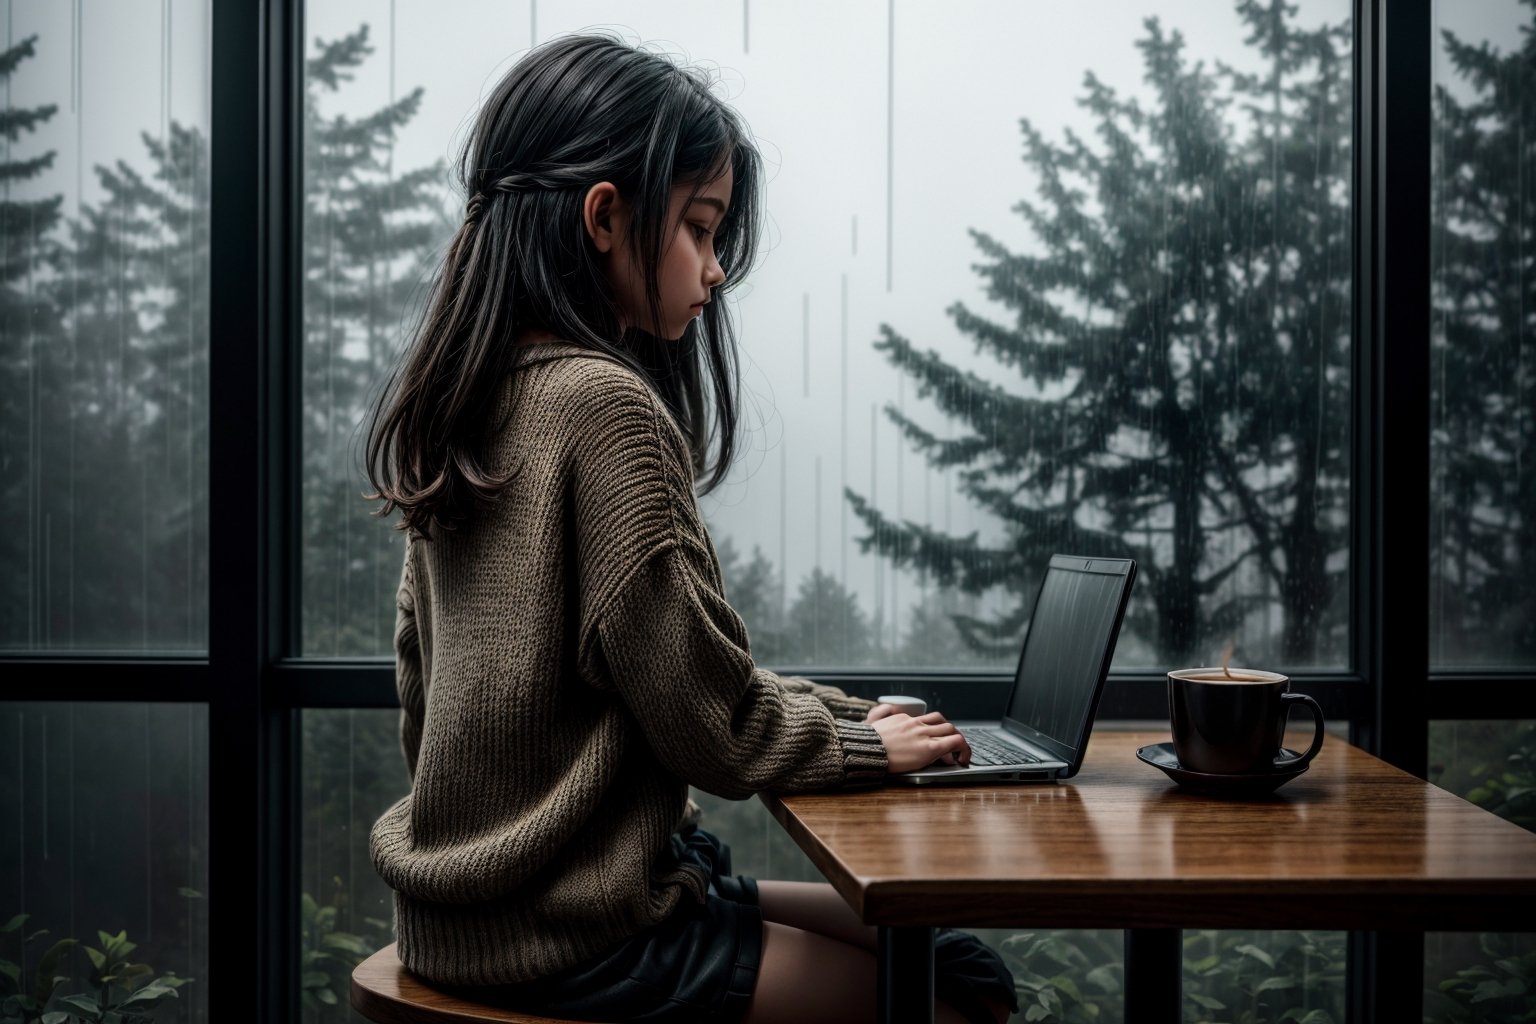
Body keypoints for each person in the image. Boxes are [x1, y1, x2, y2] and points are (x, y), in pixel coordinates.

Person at [363, 32, 1020, 1024]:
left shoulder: (470, 406)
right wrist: (871, 750)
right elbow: (713, 725)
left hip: (460, 917)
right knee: (960, 998)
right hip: (577, 939)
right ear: (604, 216)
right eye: (701, 230)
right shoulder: (605, 409)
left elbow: (426, 684)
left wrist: (857, 720)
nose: (715, 271)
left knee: (952, 959)